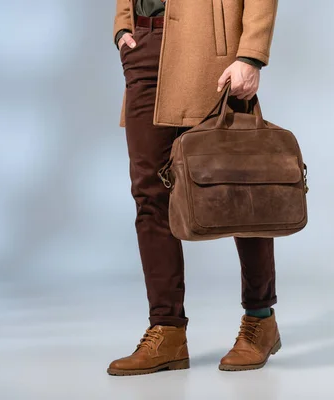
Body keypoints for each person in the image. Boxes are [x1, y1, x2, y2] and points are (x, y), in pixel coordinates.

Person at [107, 0, 281, 375]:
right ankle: (167, 331)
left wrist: (251, 54)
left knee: (237, 188)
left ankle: (260, 319)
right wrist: (123, 26)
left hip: (210, 54)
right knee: (150, 194)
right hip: (145, 47)